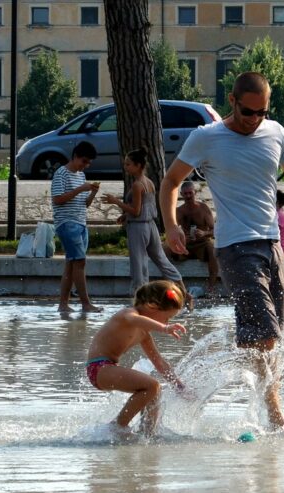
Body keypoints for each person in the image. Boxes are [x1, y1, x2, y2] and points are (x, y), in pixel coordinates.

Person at [161, 71, 284, 430]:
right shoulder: (206, 138)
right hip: (235, 246)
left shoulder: (275, 133)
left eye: (261, 112)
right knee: (264, 335)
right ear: (232, 101)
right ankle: (274, 414)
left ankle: (256, 389)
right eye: (248, 112)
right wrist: (171, 225)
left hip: (272, 245)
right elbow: (171, 181)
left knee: (274, 336)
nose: (254, 120)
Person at [85, 280, 187, 437]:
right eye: (167, 318)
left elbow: (159, 362)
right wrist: (164, 328)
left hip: (107, 368)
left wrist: (179, 386)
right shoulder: (127, 314)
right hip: (99, 368)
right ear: (152, 305)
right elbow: (134, 320)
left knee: (154, 391)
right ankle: (118, 425)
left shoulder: (144, 334)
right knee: (151, 385)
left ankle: (148, 434)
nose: (167, 322)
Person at [103, 148, 190, 304]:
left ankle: (139, 302)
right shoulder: (149, 182)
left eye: (128, 164)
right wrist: (126, 215)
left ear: (138, 165)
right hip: (151, 226)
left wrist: (115, 201)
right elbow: (145, 207)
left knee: (139, 264)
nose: (126, 167)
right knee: (162, 260)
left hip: (138, 228)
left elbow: (136, 211)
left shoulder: (138, 185)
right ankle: (184, 293)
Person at [51, 140, 102, 313]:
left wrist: (92, 193)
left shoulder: (81, 176)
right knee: (80, 262)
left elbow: (84, 204)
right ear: (75, 157)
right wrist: (81, 189)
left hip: (80, 222)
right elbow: (57, 199)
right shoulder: (61, 174)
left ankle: (63, 304)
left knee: (72, 264)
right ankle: (85, 303)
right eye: (84, 161)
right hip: (66, 223)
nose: (85, 166)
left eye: (88, 163)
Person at [164, 180, 220, 295]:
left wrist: (204, 234)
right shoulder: (179, 211)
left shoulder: (203, 208)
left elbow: (215, 231)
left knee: (213, 249)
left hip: (202, 243)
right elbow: (171, 230)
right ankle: (170, 284)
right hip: (186, 244)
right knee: (165, 249)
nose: (188, 196)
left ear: (195, 193)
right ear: (181, 195)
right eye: (185, 194)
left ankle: (211, 287)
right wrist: (181, 237)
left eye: (190, 193)